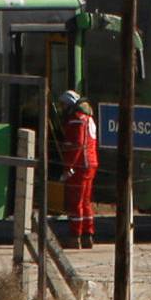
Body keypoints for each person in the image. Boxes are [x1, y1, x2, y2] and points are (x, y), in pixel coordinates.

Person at [58, 91, 99, 249]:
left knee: (75, 202)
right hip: (90, 164)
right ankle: (88, 235)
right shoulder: (89, 119)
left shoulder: (76, 121)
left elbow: (76, 146)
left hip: (80, 166)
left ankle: (75, 236)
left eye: (63, 105)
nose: (62, 109)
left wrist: (68, 168)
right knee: (86, 202)